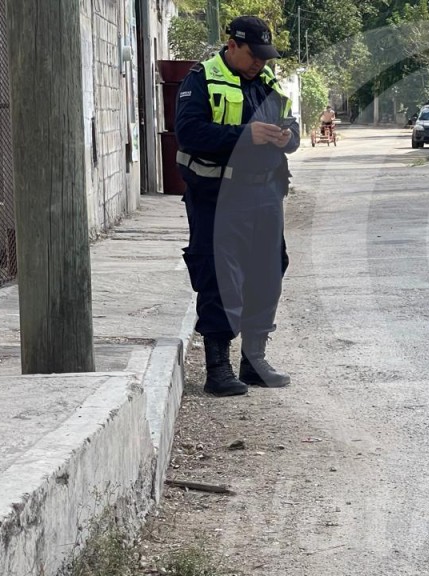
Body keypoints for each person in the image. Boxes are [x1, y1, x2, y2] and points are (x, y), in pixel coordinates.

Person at [174, 15, 300, 397]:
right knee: (218, 275)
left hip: (264, 193)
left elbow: (291, 129)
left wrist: (286, 136)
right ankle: (217, 367)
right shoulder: (202, 79)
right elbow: (189, 132)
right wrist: (245, 136)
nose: (260, 62)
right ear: (232, 46)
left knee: (268, 272)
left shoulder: (267, 84)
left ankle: (254, 360)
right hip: (217, 195)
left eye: (265, 55)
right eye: (254, 54)